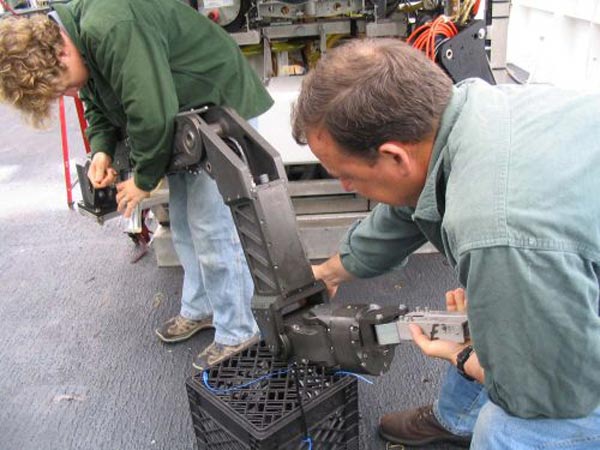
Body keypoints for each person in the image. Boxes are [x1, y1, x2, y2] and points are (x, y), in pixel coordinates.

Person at [291, 38, 600, 448]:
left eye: (345, 175)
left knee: (512, 429)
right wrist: (328, 272)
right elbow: (408, 207)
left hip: (559, 368)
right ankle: (455, 420)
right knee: (495, 313)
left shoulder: (496, 230)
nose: (346, 187)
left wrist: (467, 355)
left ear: (394, 157)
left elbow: (545, 394)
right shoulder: (468, 110)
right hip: (554, 250)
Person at [0, 0, 273, 370]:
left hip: (217, 103)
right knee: (185, 224)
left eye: (61, 86)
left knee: (212, 228)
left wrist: (143, 181)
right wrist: (101, 152)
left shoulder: (110, 26)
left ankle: (238, 330)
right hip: (184, 113)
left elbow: (150, 111)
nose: (67, 94)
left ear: (61, 51)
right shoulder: (78, 37)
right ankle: (202, 306)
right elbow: (95, 98)